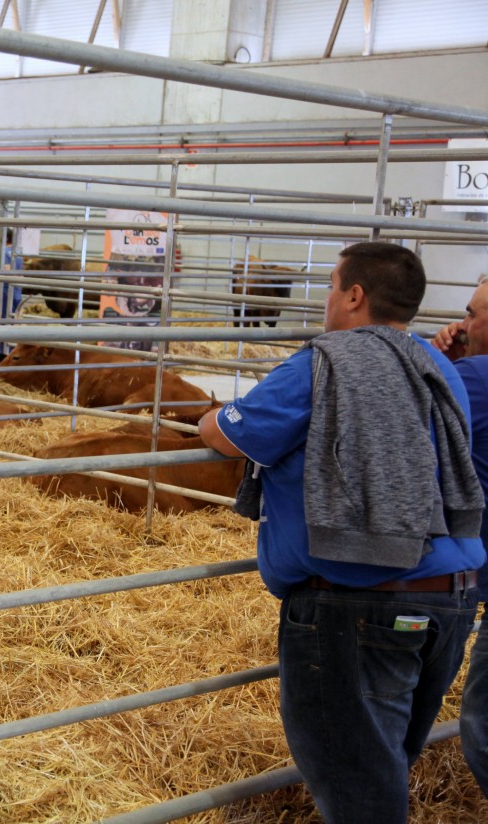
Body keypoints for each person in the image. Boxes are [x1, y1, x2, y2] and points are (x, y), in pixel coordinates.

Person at [199, 241, 485, 823]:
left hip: (356, 603)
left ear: (354, 296)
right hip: (450, 599)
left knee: (359, 791)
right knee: (383, 764)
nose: (328, 298)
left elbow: (229, 435)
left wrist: (207, 417)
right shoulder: (443, 374)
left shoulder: (321, 364)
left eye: (332, 285)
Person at [432, 278, 488, 797]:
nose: (463, 325)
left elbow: (401, 404)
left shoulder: (472, 378)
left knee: (484, 731)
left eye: (472, 314)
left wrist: (434, 356)